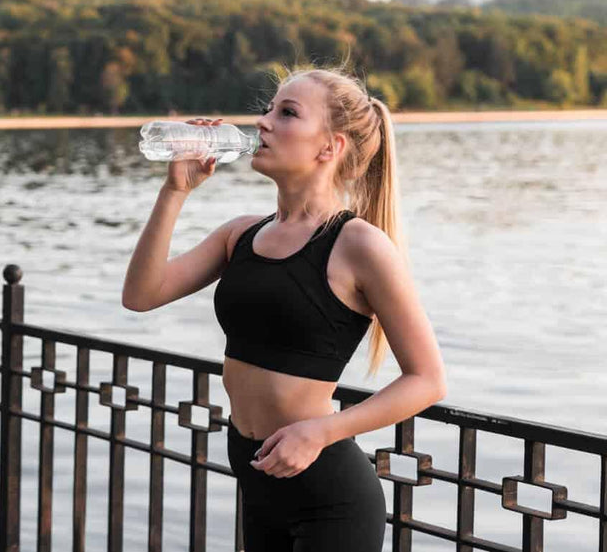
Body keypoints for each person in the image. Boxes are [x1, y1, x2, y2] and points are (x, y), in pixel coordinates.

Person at [121, 67, 447, 550]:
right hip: (258, 480)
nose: (263, 122)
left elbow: (427, 380)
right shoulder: (242, 234)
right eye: (269, 108)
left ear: (330, 147)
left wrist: (319, 432)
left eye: (287, 113)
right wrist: (175, 192)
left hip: (328, 497)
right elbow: (141, 295)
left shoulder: (359, 244)